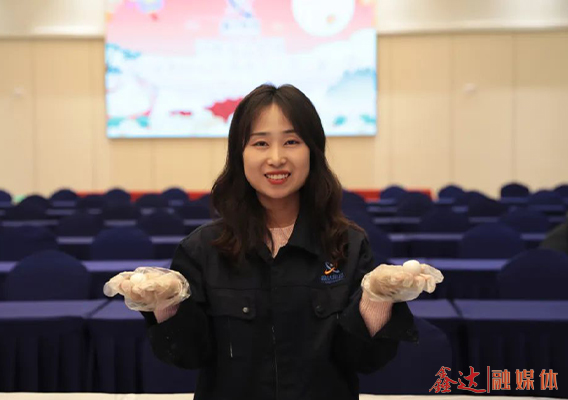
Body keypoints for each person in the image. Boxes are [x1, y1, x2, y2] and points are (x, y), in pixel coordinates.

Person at [107, 84, 442, 400]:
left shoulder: (348, 245)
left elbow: (363, 360)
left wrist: (377, 300)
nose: (277, 158)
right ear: (239, 153)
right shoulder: (202, 249)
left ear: (313, 151)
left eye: (292, 141)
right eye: (261, 143)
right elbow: (187, 355)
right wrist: (165, 304)